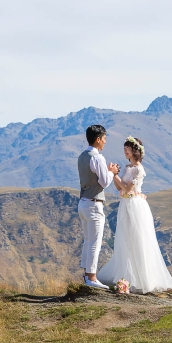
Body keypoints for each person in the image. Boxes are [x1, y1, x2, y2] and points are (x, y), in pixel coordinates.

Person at [97, 136, 172, 293]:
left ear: (135, 151)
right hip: (126, 204)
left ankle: (142, 278)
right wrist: (115, 175)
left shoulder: (139, 169)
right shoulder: (128, 168)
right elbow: (120, 188)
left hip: (135, 206)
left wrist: (114, 175)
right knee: (125, 238)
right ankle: (127, 276)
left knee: (137, 239)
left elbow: (127, 188)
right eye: (124, 149)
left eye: (127, 148)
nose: (125, 151)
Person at [78, 124, 120, 289]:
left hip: (83, 202)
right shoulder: (97, 158)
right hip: (94, 204)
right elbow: (104, 182)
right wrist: (112, 171)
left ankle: (87, 275)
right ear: (98, 139)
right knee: (94, 242)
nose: (105, 142)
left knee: (88, 240)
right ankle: (92, 277)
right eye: (104, 138)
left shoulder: (82, 156)